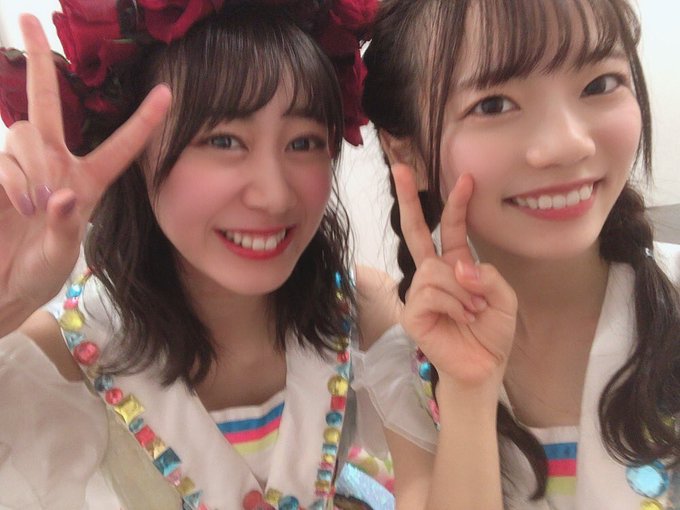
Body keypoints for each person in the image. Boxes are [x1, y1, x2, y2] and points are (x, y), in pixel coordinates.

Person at [0, 1, 439, 508]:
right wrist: (8, 301)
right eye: (224, 140)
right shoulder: (55, 362)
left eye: (303, 142)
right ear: (134, 151)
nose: (274, 195)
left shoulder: (359, 313)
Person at [362, 0, 680, 508]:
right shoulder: (411, 375)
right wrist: (467, 396)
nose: (568, 144)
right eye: (493, 105)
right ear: (407, 151)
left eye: (599, 84)